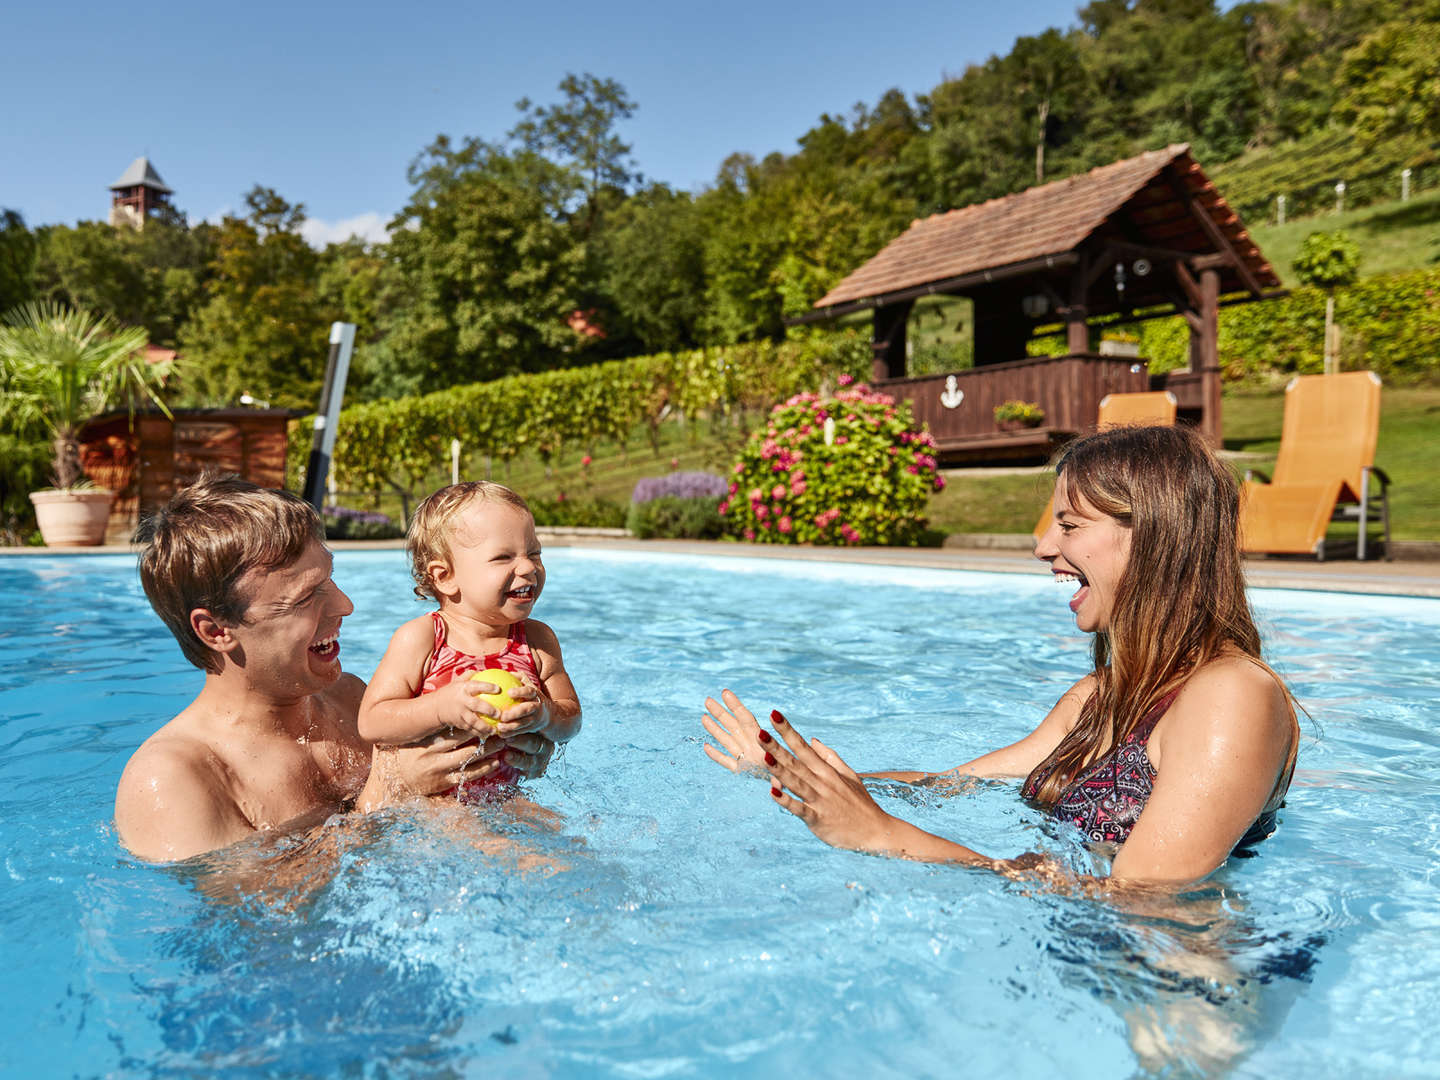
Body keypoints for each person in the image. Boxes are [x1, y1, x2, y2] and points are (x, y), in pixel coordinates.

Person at [702, 424, 1300, 890]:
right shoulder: (1097, 698)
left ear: (1153, 534)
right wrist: (806, 776)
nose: (1043, 547)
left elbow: (1142, 902)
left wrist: (886, 837)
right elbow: (952, 784)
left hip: (1186, 996)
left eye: (1068, 525)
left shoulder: (1232, 696)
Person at [115, 476, 554, 863]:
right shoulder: (176, 779)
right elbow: (260, 926)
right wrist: (387, 794)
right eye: (307, 597)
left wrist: (507, 753)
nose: (345, 605)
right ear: (215, 630)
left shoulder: (351, 699)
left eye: (330, 579)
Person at [358, 482, 581, 799]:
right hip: (431, 805)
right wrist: (440, 708)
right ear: (445, 577)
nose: (529, 566)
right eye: (503, 557)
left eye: (534, 553)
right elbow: (372, 721)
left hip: (503, 801)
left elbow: (571, 719)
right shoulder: (423, 639)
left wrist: (544, 714)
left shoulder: (536, 640)